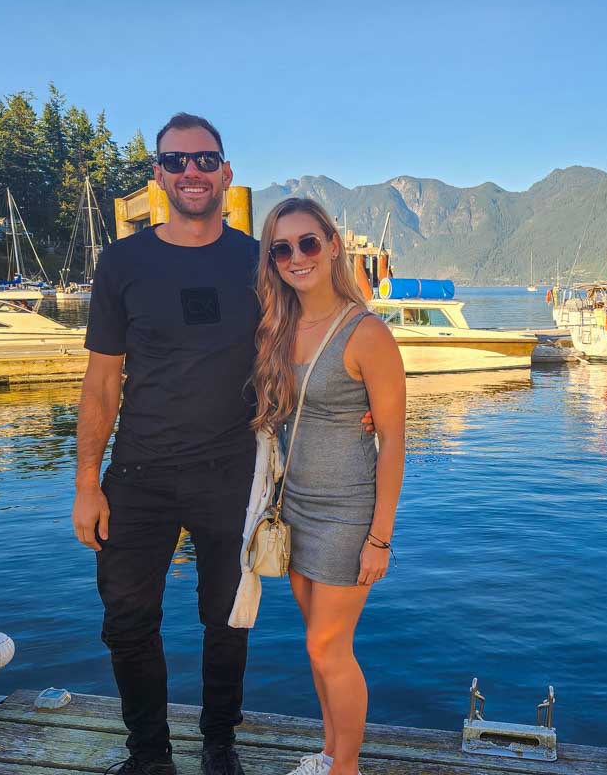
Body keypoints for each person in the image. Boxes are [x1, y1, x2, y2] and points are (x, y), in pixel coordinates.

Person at [71, 113, 258, 775]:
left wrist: (366, 406)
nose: (192, 173)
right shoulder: (122, 262)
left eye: (205, 161)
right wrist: (88, 482)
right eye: (176, 161)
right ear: (158, 175)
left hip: (232, 471)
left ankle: (220, 742)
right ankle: (149, 754)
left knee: (227, 619)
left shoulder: (257, 260)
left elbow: (306, 347)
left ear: (226, 173)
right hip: (140, 472)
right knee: (126, 618)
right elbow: (101, 382)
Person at [252, 197, 406, 775]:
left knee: (328, 647)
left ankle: (347, 769)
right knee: (317, 649)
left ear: (333, 245)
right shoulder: (277, 325)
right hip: (292, 508)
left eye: (308, 243)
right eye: (282, 248)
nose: (297, 257)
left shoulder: (366, 333)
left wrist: (380, 538)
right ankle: (328, 754)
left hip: (347, 514)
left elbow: (392, 440)